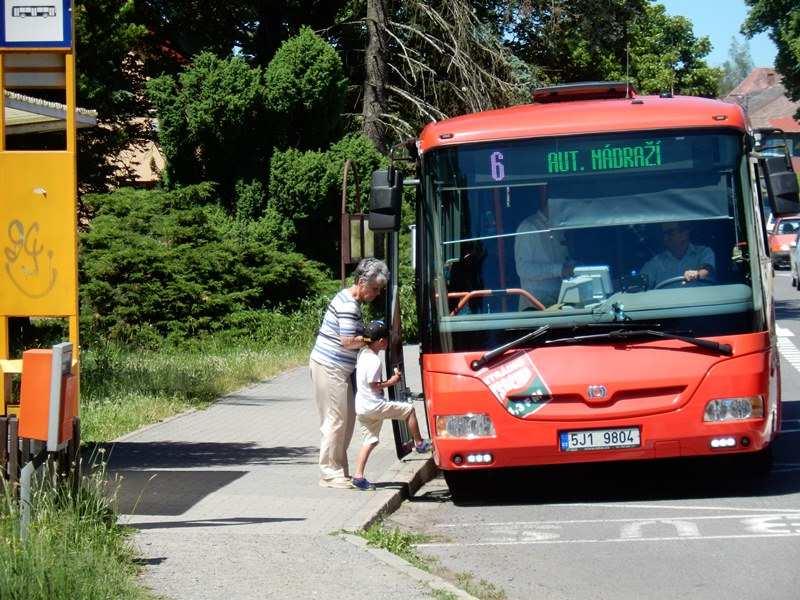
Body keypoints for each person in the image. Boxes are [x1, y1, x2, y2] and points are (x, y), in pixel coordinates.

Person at [309, 258, 389, 489]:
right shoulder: (349, 305)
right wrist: (369, 339)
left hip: (337, 369)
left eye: (379, 289)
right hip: (330, 367)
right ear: (361, 282)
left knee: (345, 420)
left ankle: (338, 469)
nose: (376, 294)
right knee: (335, 420)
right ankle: (329, 473)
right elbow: (346, 341)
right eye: (374, 289)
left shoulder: (349, 298)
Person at [351, 320, 431, 491]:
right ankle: (419, 443)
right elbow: (374, 385)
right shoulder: (374, 361)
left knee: (370, 440)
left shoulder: (362, 354)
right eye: (386, 339)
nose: (388, 342)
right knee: (408, 410)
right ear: (380, 342)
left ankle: (358, 476)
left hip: (362, 407)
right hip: (374, 405)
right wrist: (393, 381)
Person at [514, 200, 573, 308]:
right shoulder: (529, 227)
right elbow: (523, 269)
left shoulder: (558, 227)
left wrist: (571, 266)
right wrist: (559, 270)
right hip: (535, 306)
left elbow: (562, 260)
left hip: (559, 301)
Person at [640, 222, 715, 289]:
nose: (665, 238)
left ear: (685, 233)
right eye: (663, 234)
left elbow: (708, 271)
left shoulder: (703, 252)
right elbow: (640, 284)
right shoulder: (655, 263)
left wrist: (697, 274)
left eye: (670, 233)